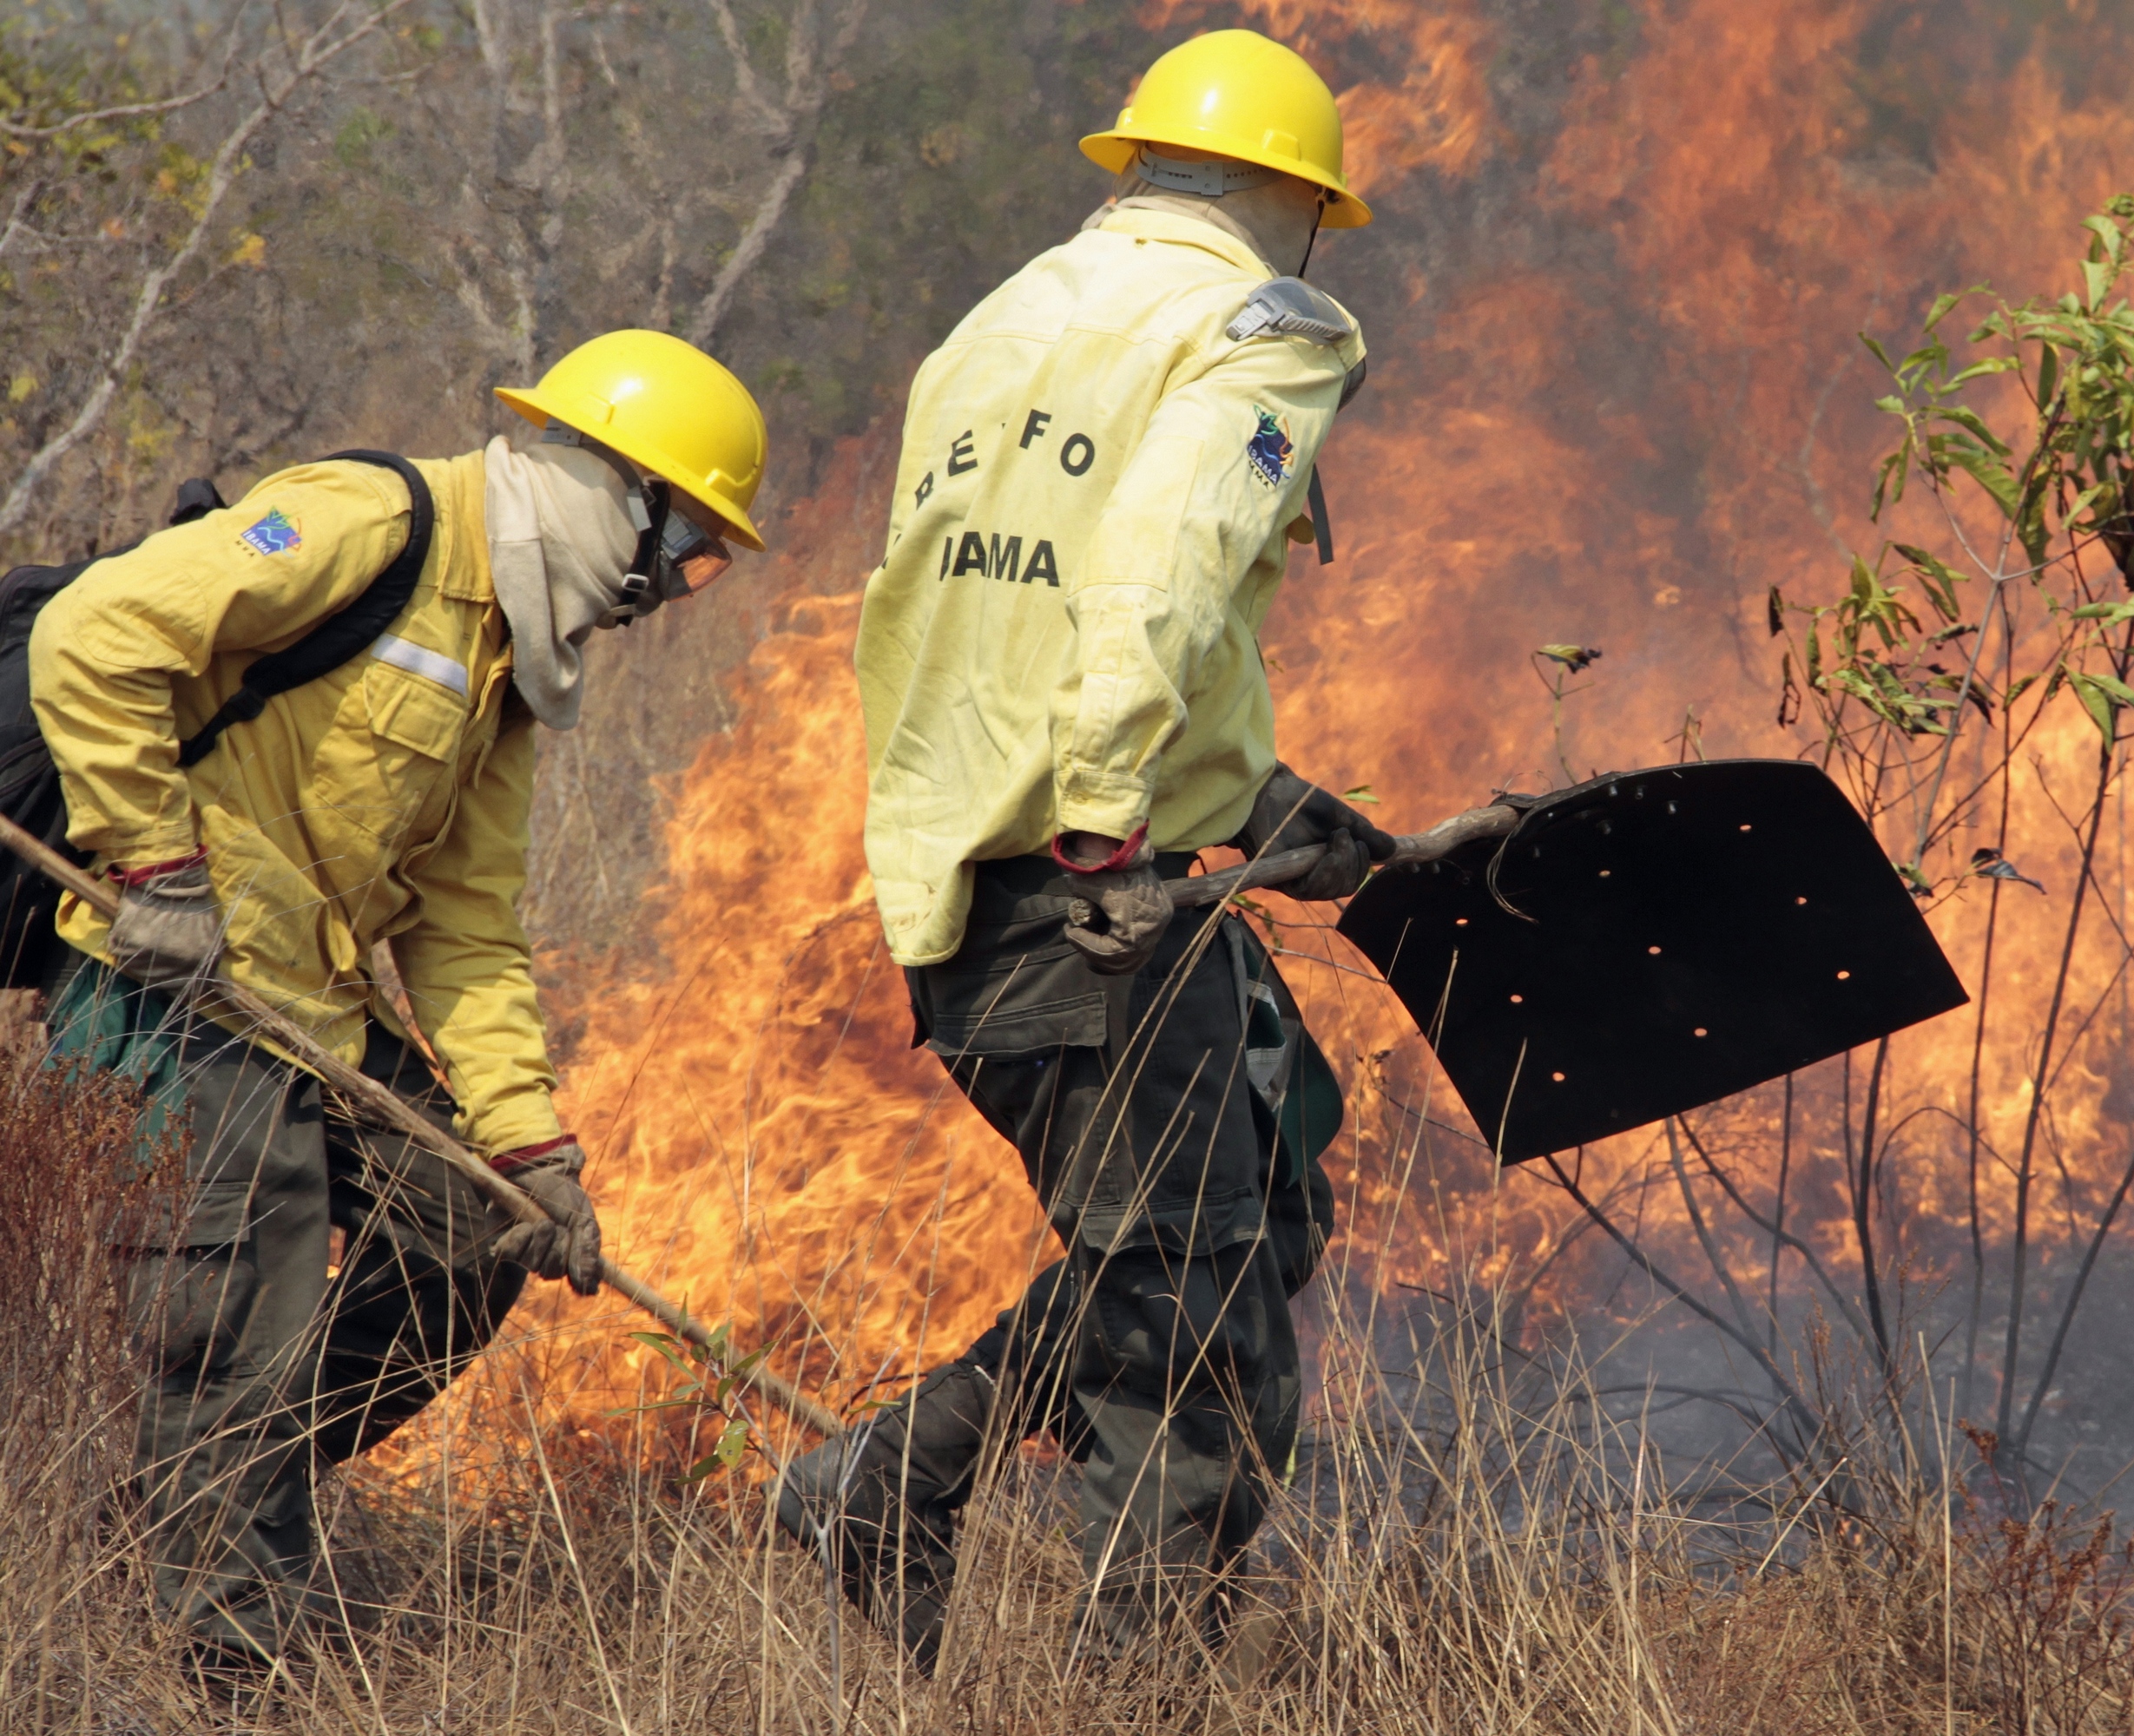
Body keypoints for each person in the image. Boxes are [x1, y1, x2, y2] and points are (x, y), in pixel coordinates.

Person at [777, 27, 1391, 1671]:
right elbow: (1164, 562)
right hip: (1090, 890)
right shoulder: (1267, 321)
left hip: (973, 887)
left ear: (1142, 167)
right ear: (1291, 200)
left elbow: (981, 616)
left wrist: (1245, 795)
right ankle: (1134, 1694)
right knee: (1199, 1346)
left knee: (1248, 1223)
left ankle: (885, 1479)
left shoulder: (1001, 324)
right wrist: (1118, 813)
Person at [33, 329, 768, 1676]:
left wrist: (530, 1152)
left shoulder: (504, 664)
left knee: (471, 1234)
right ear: (615, 488)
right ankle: (218, 1666)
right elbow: (95, 633)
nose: (671, 589)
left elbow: (468, 928)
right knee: (236, 1313)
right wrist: (155, 866)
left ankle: (185, 1499)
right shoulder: (370, 525)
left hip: (303, 1003)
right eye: (684, 547)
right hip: (177, 982)